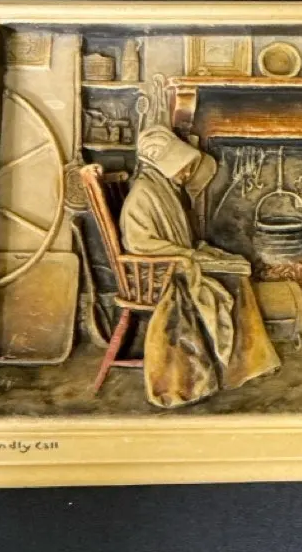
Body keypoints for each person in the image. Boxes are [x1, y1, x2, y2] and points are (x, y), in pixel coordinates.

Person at [120, 125, 280, 408]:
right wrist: (186, 256)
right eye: (182, 168)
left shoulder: (164, 188)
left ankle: (245, 363)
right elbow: (140, 244)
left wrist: (201, 254)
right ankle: (220, 369)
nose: (186, 174)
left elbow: (182, 240)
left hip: (177, 262)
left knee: (238, 269)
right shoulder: (143, 194)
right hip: (159, 272)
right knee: (232, 280)